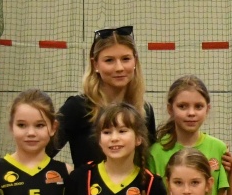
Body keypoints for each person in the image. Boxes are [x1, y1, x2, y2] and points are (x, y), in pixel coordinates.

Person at [55, 26, 156, 171]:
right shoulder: (77, 107)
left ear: (135, 60)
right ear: (95, 64)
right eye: (109, 60)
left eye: (126, 59)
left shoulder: (144, 110)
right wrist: (70, 176)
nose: (119, 67)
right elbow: (39, 154)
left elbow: (149, 164)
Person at [148, 74, 229, 195]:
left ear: (207, 109)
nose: (191, 113)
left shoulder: (218, 148)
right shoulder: (155, 152)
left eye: (198, 106)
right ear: (170, 109)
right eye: (182, 106)